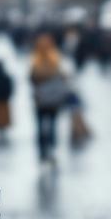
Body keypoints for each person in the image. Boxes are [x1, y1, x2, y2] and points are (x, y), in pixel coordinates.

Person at [30, 34, 69, 164]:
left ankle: (42, 151)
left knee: (40, 125)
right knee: (52, 124)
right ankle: (51, 149)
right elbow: (63, 76)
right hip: (53, 100)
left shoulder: (35, 59)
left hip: (40, 99)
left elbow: (32, 78)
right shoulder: (55, 58)